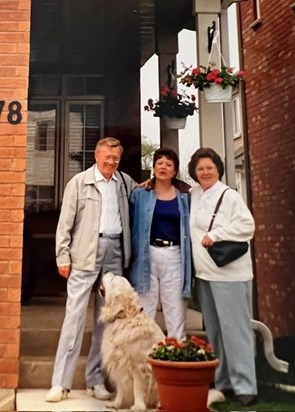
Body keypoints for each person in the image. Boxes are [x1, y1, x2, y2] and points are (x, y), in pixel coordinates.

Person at [46, 137, 137, 402]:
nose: (111, 162)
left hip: (114, 253)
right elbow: (65, 224)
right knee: (73, 318)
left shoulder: (124, 183)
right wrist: (62, 256)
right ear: (96, 155)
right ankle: (60, 383)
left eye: (115, 158)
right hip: (84, 254)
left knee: (105, 321)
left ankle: (95, 380)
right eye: (107, 157)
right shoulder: (79, 182)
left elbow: (144, 194)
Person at [188, 147, 257, 407]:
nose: (205, 172)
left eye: (209, 167)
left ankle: (245, 386)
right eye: (200, 168)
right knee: (215, 332)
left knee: (235, 331)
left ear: (218, 169)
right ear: (194, 172)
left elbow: (247, 225)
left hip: (230, 275)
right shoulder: (195, 194)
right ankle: (223, 380)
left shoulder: (229, 195)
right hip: (205, 275)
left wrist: (216, 235)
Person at [128, 148, 191, 341]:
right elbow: (130, 224)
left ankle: (176, 357)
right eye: (160, 163)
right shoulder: (140, 194)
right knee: (144, 310)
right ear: (153, 167)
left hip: (174, 255)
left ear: (174, 171)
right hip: (146, 255)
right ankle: (145, 359)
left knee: (175, 309)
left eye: (169, 164)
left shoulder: (185, 196)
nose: (163, 167)